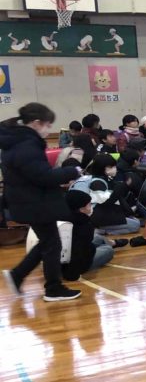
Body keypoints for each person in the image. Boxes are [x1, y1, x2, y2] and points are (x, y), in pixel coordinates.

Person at [0, 103, 84, 301]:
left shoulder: (18, 140)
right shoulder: (26, 145)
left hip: (28, 200)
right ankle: (52, 288)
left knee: (49, 242)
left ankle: (18, 275)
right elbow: (42, 176)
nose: (49, 130)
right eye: (47, 125)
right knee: (51, 243)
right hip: (34, 201)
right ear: (37, 123)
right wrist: (71, 171)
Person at [63, 189, 119, 280]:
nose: (91, 206)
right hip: (76, 264)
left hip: (61, 259)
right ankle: (112, 244)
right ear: (81, 209)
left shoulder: (62, 217)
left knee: (98, 238)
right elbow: (82, 251)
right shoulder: (83, 224)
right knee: (108, 250)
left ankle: (113, 243)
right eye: (89, 204)